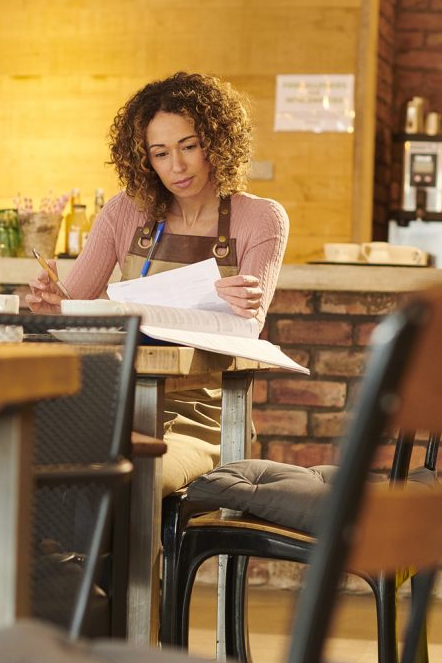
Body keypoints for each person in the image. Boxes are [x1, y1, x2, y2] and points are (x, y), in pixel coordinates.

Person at [24, 72, 289, 494]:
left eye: (189, 146)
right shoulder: (123, 212)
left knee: (135, 479)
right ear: (144, 159)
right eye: (161, 153)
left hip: (202, 415)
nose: (176, 166)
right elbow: (73, 305)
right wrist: (53, 303)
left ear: (217, 143)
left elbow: (249, 327)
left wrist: (247, 304)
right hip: (116, 401)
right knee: (33, 461)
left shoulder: (260, 218)